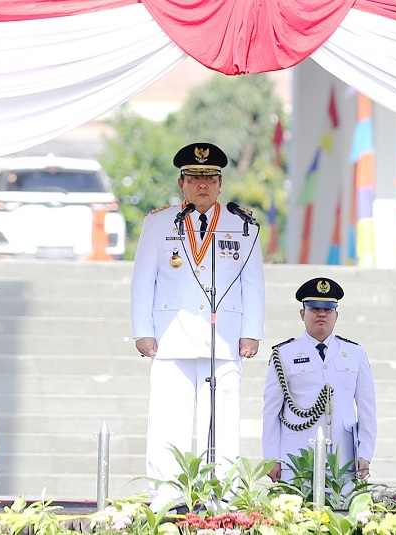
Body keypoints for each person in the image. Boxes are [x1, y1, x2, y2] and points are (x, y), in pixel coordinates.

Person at [131, 142, 265, 509]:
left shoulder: (243, 225)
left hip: (223, 338)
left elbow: (253, 282)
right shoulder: (159, 223)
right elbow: (144, 279)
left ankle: (224, 493)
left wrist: (251, 330)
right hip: (171, 335)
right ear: (181, 183)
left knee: (223, 419)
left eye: (209, 178)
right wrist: (142, 329)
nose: (201, 185)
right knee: (167, 419)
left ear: (220, 183)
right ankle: (165, 493)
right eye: (194, 178)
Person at [262, 277, 376, 483]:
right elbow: (271, 410)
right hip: (296, 456)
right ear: (302, 313)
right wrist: (272, 457)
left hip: (343, 458)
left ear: (336, 315)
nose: (321, 314)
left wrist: (365, 453)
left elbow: (367, 407)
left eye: (328, 310)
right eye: (314, 309)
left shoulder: (354, 353)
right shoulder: (284, 354)